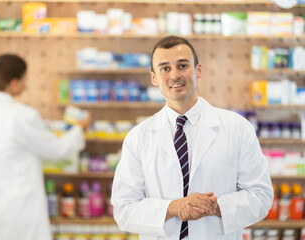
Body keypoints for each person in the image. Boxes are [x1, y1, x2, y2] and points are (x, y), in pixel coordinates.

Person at [111, 36, 273, 240]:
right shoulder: (138, 137)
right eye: (165, 68)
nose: (175, 75)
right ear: (154, 78)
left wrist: (214, 207)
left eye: (182, 65)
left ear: (198, 70)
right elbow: (124, 210)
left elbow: (261, 196)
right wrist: (173, 208)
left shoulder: (238, 129)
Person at [0, 54, 91, 240]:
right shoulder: (22, 115)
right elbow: (56, 150)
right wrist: (79, 128)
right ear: (15, 83)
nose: (26, 84)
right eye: (25, 79)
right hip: (20, 207)